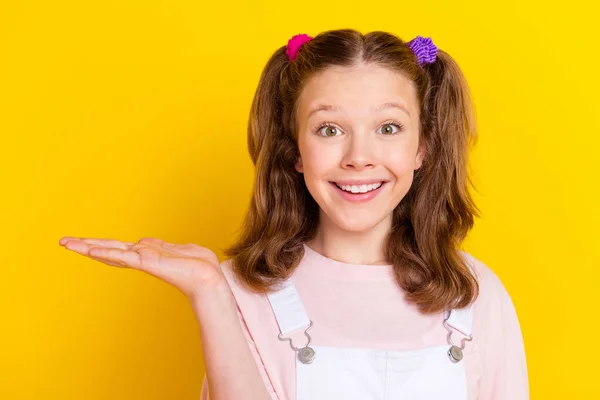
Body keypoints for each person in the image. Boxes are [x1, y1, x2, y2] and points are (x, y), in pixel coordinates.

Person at [59, 29, 529, 400]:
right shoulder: (242, 293)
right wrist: (209, 293)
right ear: (296, 151)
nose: (359, 157)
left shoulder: (477, 296)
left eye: (388, 127)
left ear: (422, 148)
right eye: (328, 129)